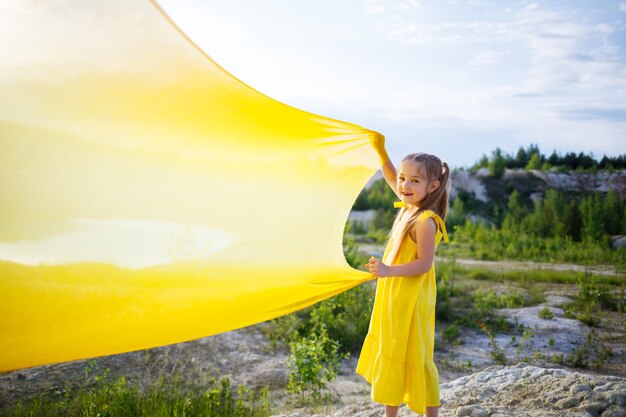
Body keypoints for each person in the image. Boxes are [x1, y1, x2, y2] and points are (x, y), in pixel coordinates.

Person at [356, 132, 450, 417]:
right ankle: (390, 415)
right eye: (402, 178)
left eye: (414, 180)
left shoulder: (424, 221)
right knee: (394, 351)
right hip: (395, 294)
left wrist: (387, 270)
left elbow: (423, 265)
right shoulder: (409, 205)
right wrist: (380, 151)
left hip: (412, 298)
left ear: (432, 186)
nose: (404, 185)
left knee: (417, 355)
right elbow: (389, 175)